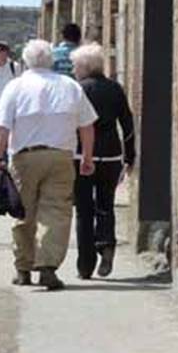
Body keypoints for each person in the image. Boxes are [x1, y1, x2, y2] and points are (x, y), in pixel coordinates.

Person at [0, 39, 97, 290]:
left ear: (26, 62)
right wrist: (88, 158)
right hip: (61, 156)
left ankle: (24, 268)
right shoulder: (70, 86)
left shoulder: (15, 87)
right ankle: (48, 266)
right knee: (56, 212)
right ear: (51, 60)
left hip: (24, 157)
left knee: (23, 211)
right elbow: (87, 126)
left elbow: (2, 128)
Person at [70, 43, 136, 279]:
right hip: (111, 154)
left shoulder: (78, 89)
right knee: (105, 205)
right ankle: (106, 244)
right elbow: (127, 124)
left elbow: (70, 124)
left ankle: (85, 265)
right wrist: (130, 155)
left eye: (76, 65)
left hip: (81, 154)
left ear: (85, 67)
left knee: (84, 210)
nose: (74, 70)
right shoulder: (115, 89)